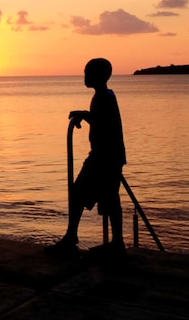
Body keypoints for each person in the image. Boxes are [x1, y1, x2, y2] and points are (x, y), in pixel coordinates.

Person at [47, 57, 127, 258]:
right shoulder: (103, 96)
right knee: (104, 197)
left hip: (105, 156)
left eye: (88, 73)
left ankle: (107, 242)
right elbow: (102, 121)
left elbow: (103, 122)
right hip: (106, 155)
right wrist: (85, 115)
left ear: (99, 76)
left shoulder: (104, 97)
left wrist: (85, 115)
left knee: (87, 193)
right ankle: (112, 241)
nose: (85, 76)